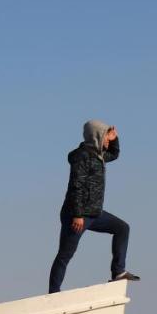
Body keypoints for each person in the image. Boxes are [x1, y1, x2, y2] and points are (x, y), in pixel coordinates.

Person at [48, 119, 140, 293]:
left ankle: (118, 272)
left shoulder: (99, 156)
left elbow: (115, 154)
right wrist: (77, 214)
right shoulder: (82, 157)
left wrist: (114, 138)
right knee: (65, 255)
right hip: (76, 215)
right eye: (106, 136)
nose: (107, 140)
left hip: (94, 213)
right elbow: (77, 186)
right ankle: (53, 293)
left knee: (122, 228)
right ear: (97, 136)